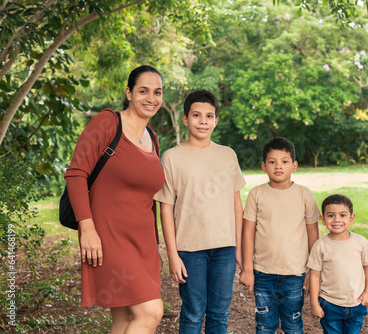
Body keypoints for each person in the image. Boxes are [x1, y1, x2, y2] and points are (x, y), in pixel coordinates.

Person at [64, 65, 165, 334]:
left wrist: (154, 246)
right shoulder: (108, 122)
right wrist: (87, 229)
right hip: (109, 237)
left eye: (157, 92)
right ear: (129, 92)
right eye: (143, 91)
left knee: (123, 320)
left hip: (143, 242)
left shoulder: (153, 138)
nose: (151, 98)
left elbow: (147, 197)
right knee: (151, 312)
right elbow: (76, 174)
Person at [153, 89, 245, 334]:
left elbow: (237, 203)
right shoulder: (172, 158)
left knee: (219, 313)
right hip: (189, 250)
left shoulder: (227, 155)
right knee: (193, 312)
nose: (203, 121)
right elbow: (166, 209)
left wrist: (239, 247)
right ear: (185, 118)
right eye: (196, 115)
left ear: (216, 120)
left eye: (209, 116)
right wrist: (172, 254)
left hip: (224, 248)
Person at [240, 137, 320, 334]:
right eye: (272, 161)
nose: (278, 166)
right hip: (262, 273)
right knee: (265, 325)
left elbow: (313, 235)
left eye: (284, 161)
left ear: (294, 166)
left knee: (293, 325)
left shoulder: (305, 195)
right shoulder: (256, 194)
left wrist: (313, 270)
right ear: (263, 166)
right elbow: (248, 233)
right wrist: (248, 270)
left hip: (295, 274)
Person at [307, 194, 368, 334]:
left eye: (342, 215)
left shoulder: (360, 242)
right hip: (330, 303)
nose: (337, 219)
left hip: (356, 302)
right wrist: (314, 303)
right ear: (323, 219)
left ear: (351, 218)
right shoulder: (320, 246)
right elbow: (314, 276)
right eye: (331, 215)